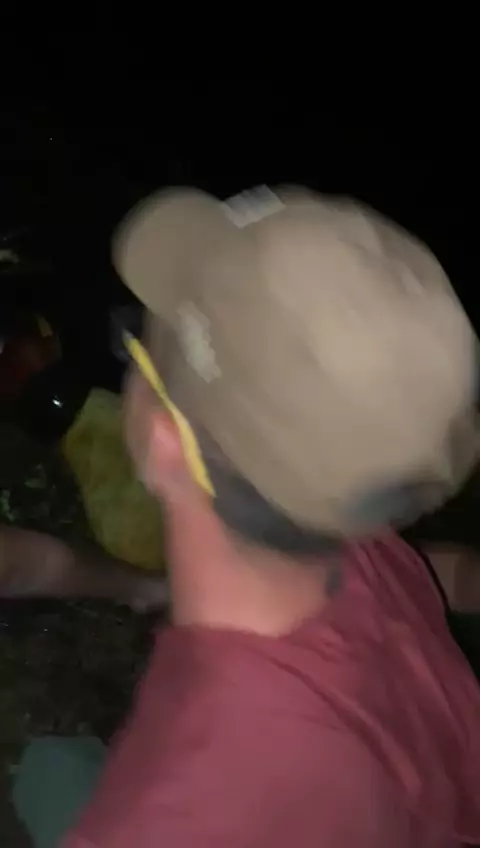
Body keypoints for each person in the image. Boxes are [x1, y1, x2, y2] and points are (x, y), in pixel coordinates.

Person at [14, 185, 480, 846]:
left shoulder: (166, 822)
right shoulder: (366, 546)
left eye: (138, 344)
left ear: (164, 443)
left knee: (46, 773)